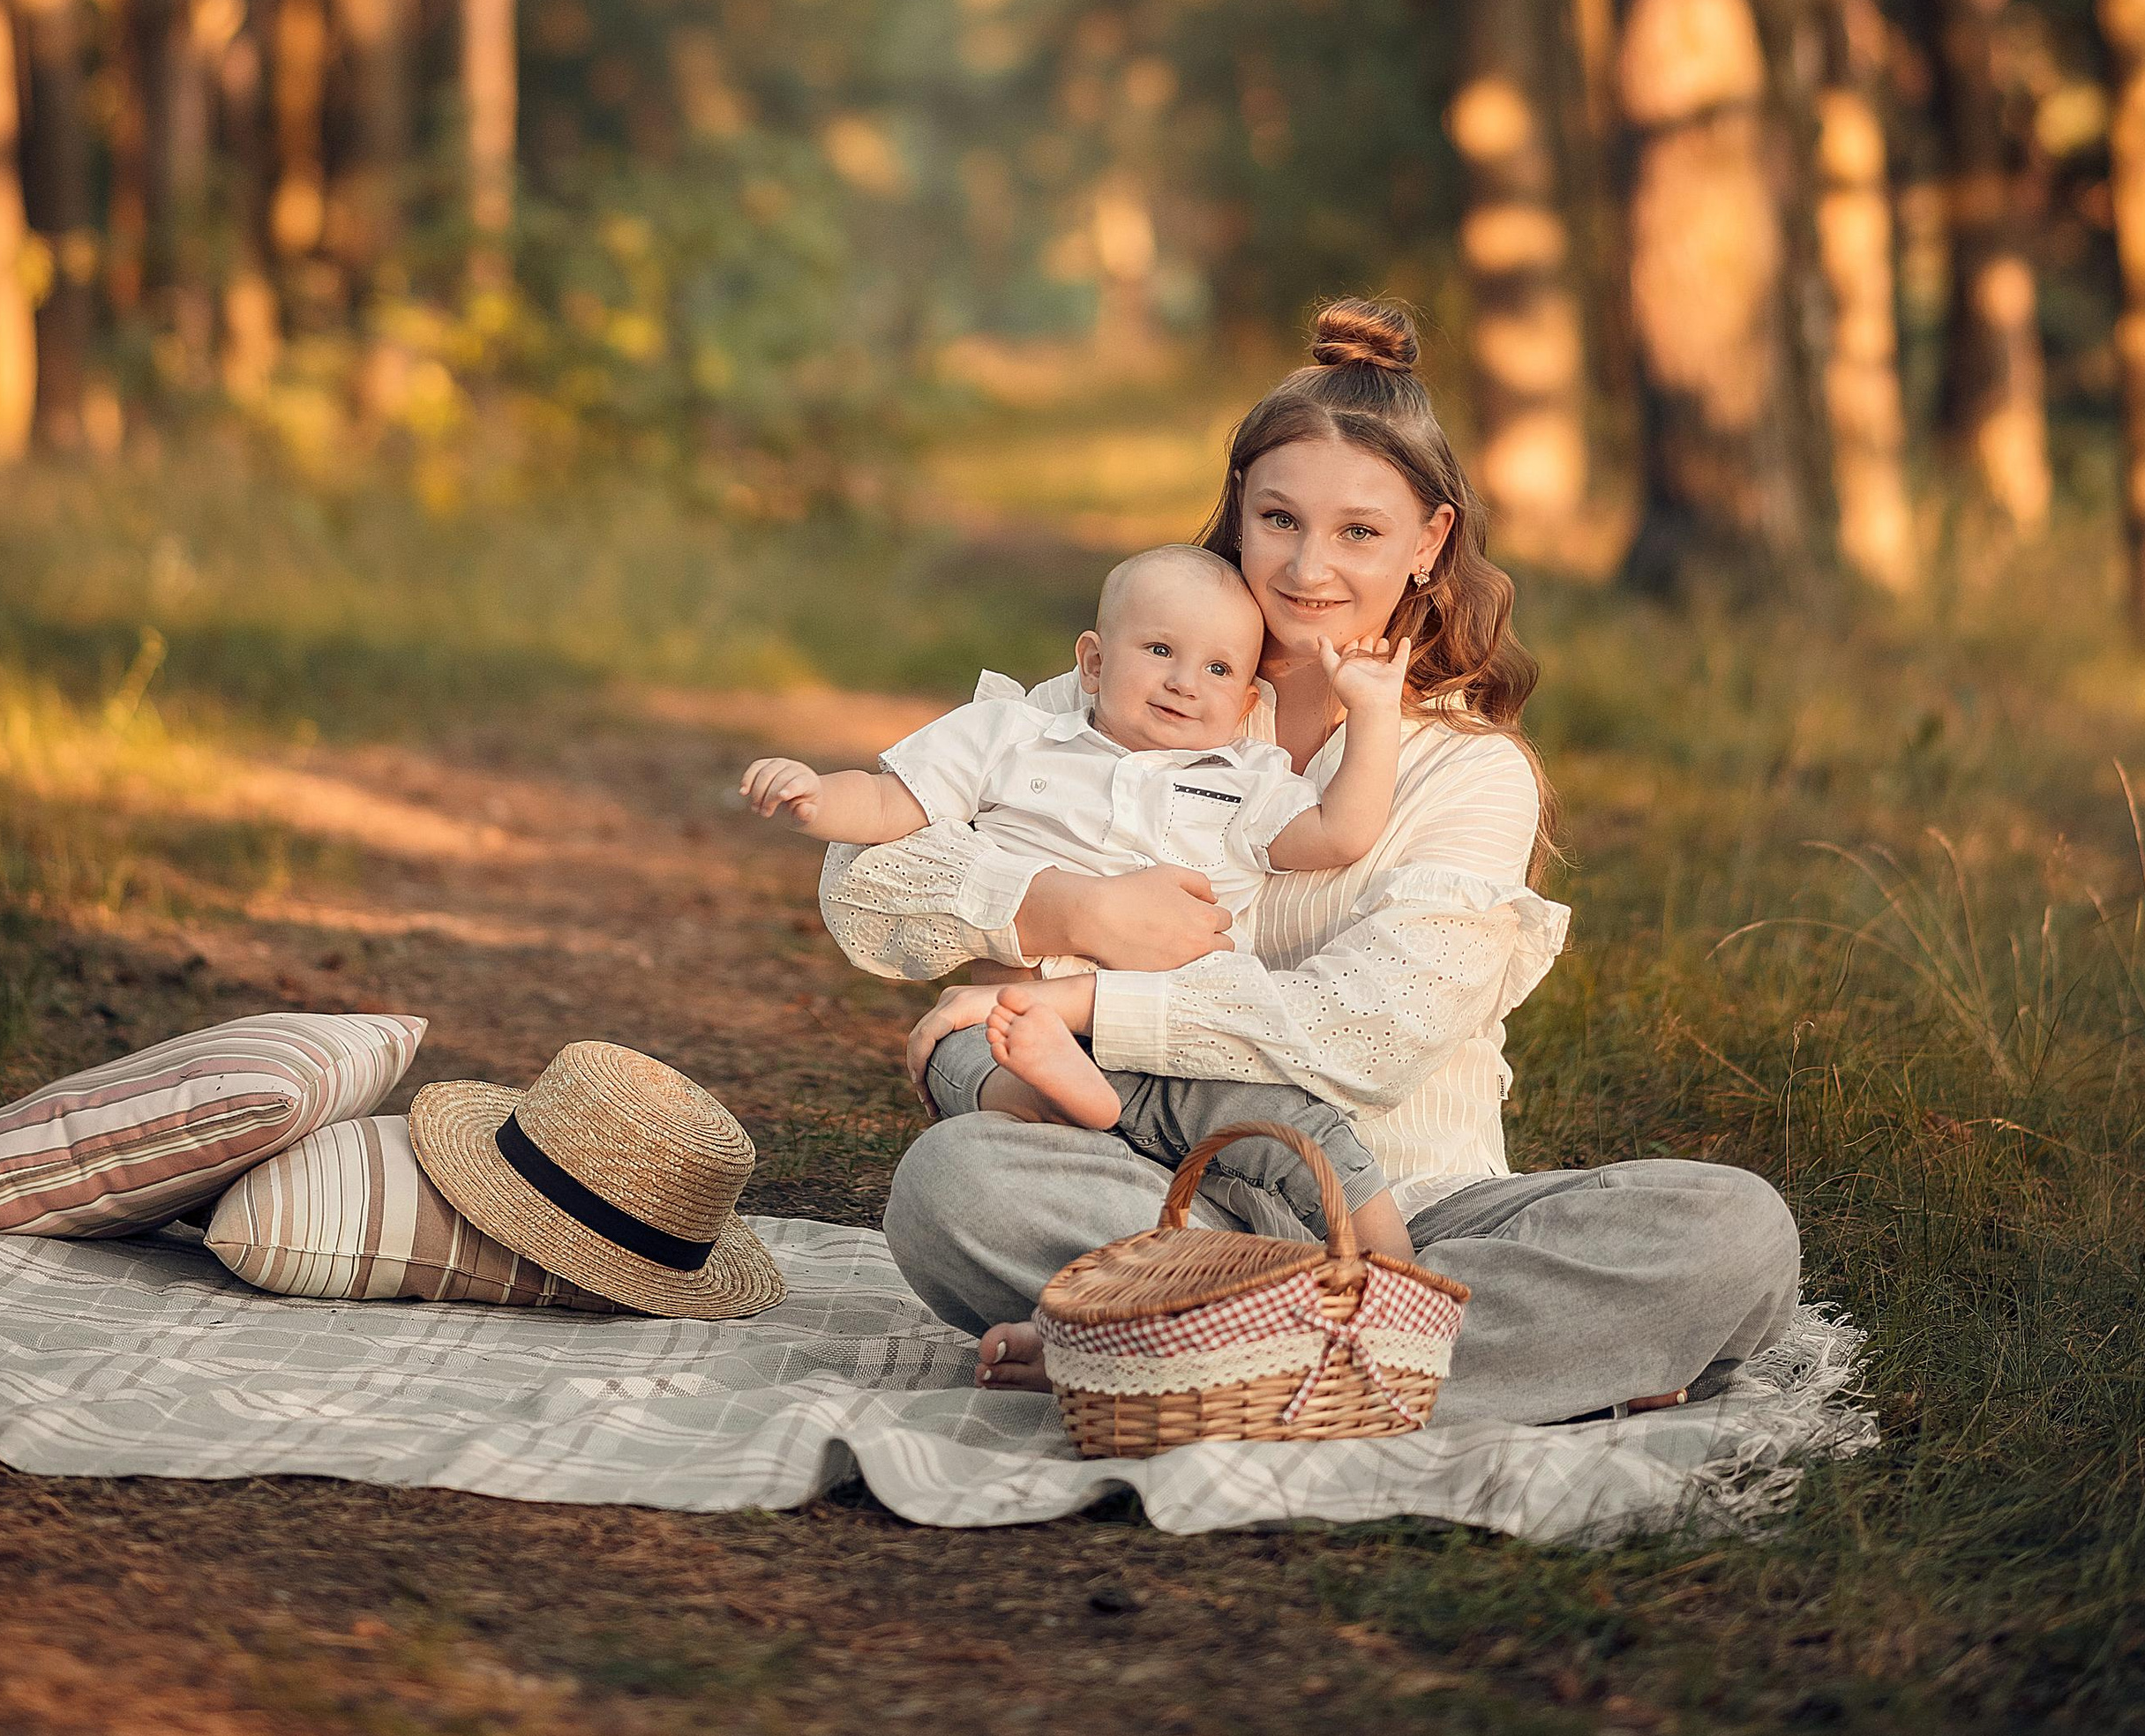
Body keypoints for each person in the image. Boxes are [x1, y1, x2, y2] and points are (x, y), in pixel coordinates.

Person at [818, 297, 1803, 1427]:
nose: (1307, 568)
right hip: (1169, 1196)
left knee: (1732, 1232)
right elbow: (861, 882)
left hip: (1416, 1212)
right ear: (1237, 510)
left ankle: (1188, 1349)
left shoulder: (1468, 771)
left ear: (1430, 542)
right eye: (1278, 518)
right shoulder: (1138, 693)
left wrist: (1095, 992)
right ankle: (1354, 1357)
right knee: (955, 1188)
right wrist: (1059, 903)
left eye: (1359, 533)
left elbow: (1368, 1033)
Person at [744, 541, 1424, 1254]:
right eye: (1160, 649)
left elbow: (1340, 832)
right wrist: (817, 798)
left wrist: (1373, 713)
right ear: (1094, 663)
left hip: (1180, 1044)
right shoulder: (1013, 737)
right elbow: (891, 802)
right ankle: (1051, 1097)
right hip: (1017, 1029)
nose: (1186, 683)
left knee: (1304, 1131)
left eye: (1219, 669)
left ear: (1247, 701)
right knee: (956, 1057)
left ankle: (1396, 1271)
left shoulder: (1244, 781)